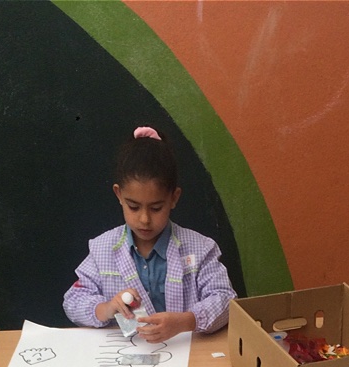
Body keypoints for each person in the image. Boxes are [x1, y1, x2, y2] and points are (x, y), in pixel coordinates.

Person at [63, 126, 236, 342]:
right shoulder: (103, 249)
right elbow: (73, 300)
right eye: (134, 207)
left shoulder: (200, 249)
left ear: (174, 198)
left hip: (186, 353)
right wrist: (106, 308)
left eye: (156, 208)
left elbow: (226, 300)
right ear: (119, 194)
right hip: (127, 354)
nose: (144, 219)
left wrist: (185, 321)